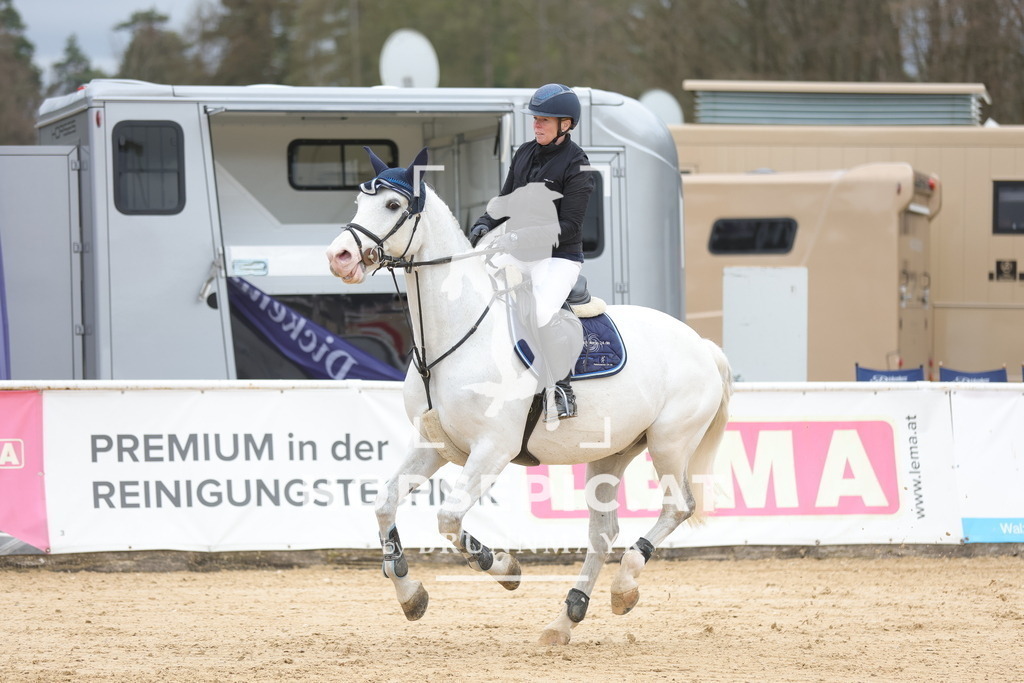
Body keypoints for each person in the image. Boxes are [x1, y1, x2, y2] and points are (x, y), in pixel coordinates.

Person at [469, 84, 595, 418]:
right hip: (519, 253)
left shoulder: (577, 164)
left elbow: (570, 226)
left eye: (544, 121)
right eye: (535, 119)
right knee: (478, 291)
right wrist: (484, 222)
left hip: (558, 259)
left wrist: (519, 238)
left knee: (540, 313)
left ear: (565, 125)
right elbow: (506, 200)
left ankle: (563, 389)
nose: (536, 125)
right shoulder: (524, 152)